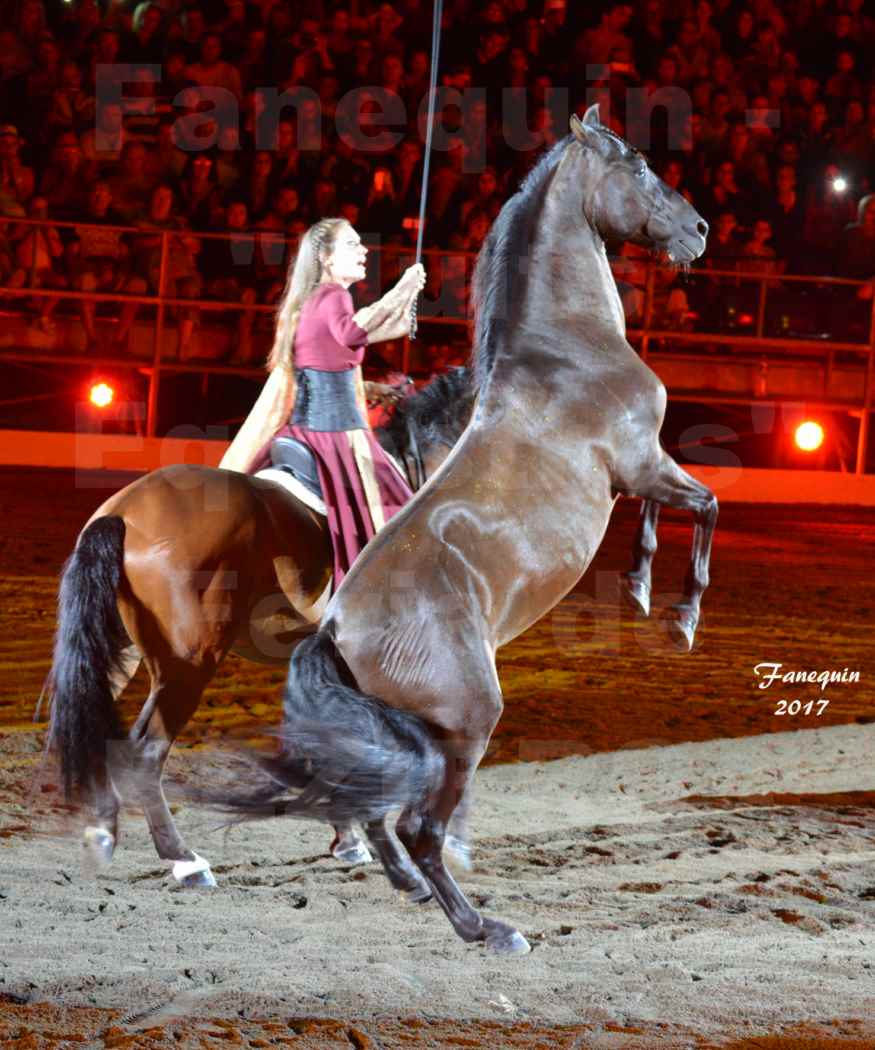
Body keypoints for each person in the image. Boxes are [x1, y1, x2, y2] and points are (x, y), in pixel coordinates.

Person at [220, 216, 426, 587]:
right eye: (352, 244)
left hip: (301, 429)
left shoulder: (312, 300)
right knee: (403, 507)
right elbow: (351, 333)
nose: (364, 250)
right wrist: (400, 290)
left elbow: (352, 339)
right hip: (335, 434)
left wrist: (404, 301)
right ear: (327, 259)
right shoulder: (335, 295)